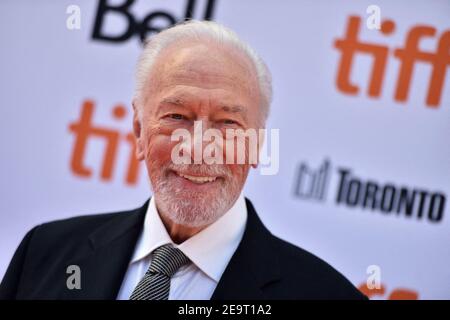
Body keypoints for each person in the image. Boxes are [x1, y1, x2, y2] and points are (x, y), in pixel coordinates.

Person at [0, 20, 366, 300]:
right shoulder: (46, 253)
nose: (198, 146)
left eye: (227, 123)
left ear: (257, 146)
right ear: (139, 129)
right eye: (176, 117)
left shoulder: (324, 294)